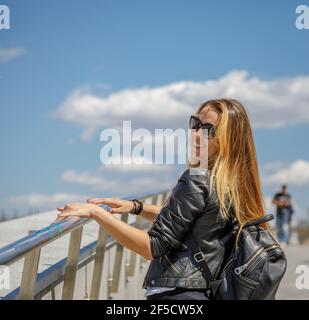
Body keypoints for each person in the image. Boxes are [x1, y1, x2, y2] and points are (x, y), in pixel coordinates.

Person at [54, 99, 270, 300]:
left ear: (229, 140)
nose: (196, 134)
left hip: (176, 295)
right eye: (195, 124)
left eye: (208, 130)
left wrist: (97, 213)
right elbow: (192, 220)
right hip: (203, 292)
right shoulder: (234, 184)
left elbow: (151, 246)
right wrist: (136, 207)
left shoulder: (197, 181)